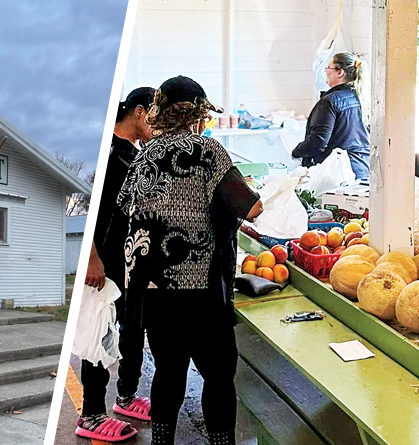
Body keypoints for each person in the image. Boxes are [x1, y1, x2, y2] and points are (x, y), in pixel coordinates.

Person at [116, 76, 263, 445]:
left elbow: (123, 212)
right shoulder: (208, 152)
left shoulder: (143, 155)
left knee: (167, 371)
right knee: (217, 375)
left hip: (152, 288)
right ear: (197, 114)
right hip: (200, 289)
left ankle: (162, 440)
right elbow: (253, 208)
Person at [76, 87, 155, 442]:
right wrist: (91, 257)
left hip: (130, 266)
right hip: (104, 266)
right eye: (156, 114)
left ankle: (125, 397)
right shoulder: (107, 153)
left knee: (131, 332)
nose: (159, 122)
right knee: (100, 335)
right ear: (139, 112)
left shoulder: (133, 154)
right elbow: (87, 208)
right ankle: (91, 414)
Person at [292, 52, 371, 181]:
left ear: (340, 72)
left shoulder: (330, 101)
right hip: (363, 169)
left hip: (338, 173)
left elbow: (319, 141)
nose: (325, 72)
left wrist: (297, 152)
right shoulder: (363, 99)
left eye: (328, 67)